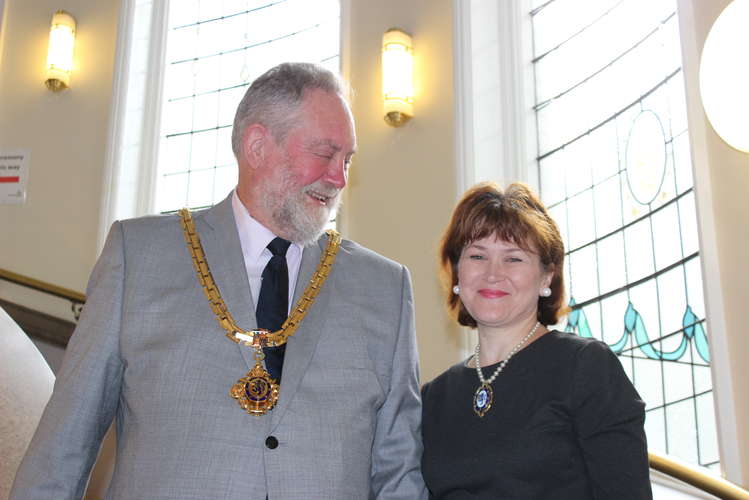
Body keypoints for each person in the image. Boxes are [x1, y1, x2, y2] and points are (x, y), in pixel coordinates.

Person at [11, 63, 427, 499]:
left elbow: (398, 472)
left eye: (347, 160)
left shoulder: (384, 287)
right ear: (257, 146)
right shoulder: (139, 255)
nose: (339, 178)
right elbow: (63, 444)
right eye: (324, 154)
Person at [421, 182, 652, 499]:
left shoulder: (584, 367)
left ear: (547, 277)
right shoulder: (433, 398)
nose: (492, 273)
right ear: (457, 271)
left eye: (513, 258)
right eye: (477, 255)